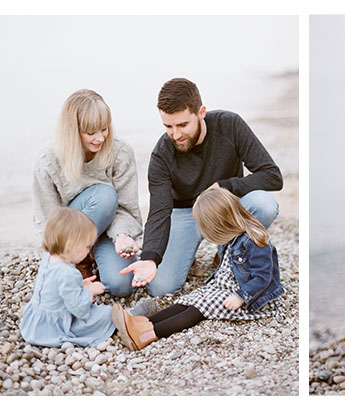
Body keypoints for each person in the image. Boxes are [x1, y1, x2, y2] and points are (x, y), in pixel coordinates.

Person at [119, 78, 282, 297]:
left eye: (183, 125)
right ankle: (187, 253)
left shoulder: (230, 125)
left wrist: (224, 186)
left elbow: (272, 176)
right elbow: (159, 211)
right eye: (168, 126)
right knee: (161, 287)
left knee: (264, 204)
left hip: (222, 210)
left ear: (201, 112)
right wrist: (150, 257)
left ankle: (229, 252)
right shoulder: (161, 155)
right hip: (184, 214)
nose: (175, 135)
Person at [111, 188, 285, 351]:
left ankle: (148, 335)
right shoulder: (234, 236)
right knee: (190, 300)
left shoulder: (255, 242)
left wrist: (241, 296)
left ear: (219, 225)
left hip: (250, 298)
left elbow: (263, 278)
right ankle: (141, 323)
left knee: (199, 309)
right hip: (224, 287)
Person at [32, 89, 143, 295]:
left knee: (121, 287)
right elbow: (47, 218)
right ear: (72, 131)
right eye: (91, 132)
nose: (100, 138)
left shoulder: (121, 152)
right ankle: (78, 260)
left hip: (107, 230)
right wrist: (54, 263)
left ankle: (90, 252)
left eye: (104, 129)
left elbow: (127, 207)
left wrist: (121, 235)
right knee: (103, 196)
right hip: (67, 235)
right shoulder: (47, 159)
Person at [19, 208, 116, 347]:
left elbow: (57, 290)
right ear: (71, 246)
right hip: (55, 327)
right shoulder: (68, 273)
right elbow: (79, 309)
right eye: (87, 247)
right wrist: (89, 292)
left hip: (36, 322)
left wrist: (81, 286)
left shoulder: (48, 259)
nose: (88, 252)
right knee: (107, 313)